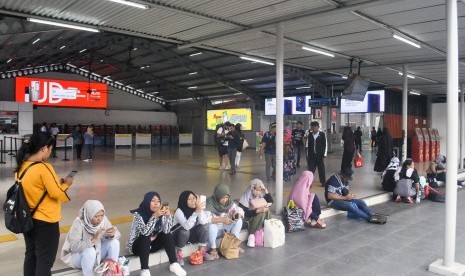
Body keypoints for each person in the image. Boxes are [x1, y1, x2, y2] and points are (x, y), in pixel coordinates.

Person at [16, 132, 73, 276]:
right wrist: (67, 184)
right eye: (50, 149)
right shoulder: (43, 167)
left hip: (28, 219)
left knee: (31, 255)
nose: (50, 152)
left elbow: (35, 188)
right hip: (46, 221)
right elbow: (57, 193)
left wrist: (55, 183)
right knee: (45, 260)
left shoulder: (21, 167)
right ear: (43, 148)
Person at [127, 192, 186, 276]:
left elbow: (166, 230)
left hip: (152, 244)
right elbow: (145, 232)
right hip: (138, 248)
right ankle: (145, 270)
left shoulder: (160, 214)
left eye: (158, 201)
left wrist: (168, 216)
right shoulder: (138, 215)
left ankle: (174, 264)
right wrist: (154, 217)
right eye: (153, 201)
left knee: (167, 234)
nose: (156, 203)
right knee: (146, 237)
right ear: (147, 202)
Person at [61, 200, 121, 276]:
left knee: (114, 242)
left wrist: (113, 234)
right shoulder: (78, 223)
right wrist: (93, 240)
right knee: (90, 251)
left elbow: (117, 234)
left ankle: (111, 272)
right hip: (78, 257)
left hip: (97, 254)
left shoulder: (104, 220)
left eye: (102, 215)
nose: (99, 219)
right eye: (96, 216)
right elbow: (73, 247)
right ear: (88, 215)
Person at [173, 191, 214, 266]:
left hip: (191, 235)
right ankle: (178, 253)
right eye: (189, 199)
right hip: (179, 237)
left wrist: (199, 210)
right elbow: (187, 226)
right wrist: (196, 213)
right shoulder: (179, 211)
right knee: (185, 231)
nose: (193, 201)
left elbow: (203, 222)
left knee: (205, 225)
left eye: (194, 198)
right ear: (184, 201)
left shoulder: (197, 208)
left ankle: (201, 250)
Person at [205, 184, 244, 259]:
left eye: (227, 197)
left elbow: (238, 209)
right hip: (214, 231)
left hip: (224, 229)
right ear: (217, 195)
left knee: (239, 221)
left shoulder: (228, 202)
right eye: (222, 197)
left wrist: (238, 214)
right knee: (211, 226)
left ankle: (233, 244)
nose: (225, 200)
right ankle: (213, 249)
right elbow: (206, 219)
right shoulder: (209, 203)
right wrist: (222, 220)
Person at [238, 179, 273, 247]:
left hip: (258, 219)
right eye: (256, 190)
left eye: (260, 190)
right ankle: (251, 235)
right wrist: (257, 210)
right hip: (248, 219)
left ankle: (270, 229)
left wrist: (265, 190)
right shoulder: (245, 197)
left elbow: (270, 202)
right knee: (261, 213)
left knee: (265, 210)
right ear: (251, 188)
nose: (258, 192)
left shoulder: (260, 195)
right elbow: (245, 213)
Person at [306, 121, 327, 186]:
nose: (314, 128)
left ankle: (323, 182)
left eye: (315, 126)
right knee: (311, 170)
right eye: (312, 126)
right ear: (311, 127)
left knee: (321, 170)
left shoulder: (322, 134)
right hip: (311, 156)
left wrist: (324, 156)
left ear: (318, 127)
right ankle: (309, 183)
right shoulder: (309, 134)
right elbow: (307, 145)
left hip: (320, 156)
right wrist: (307, 155)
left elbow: (325, 145)